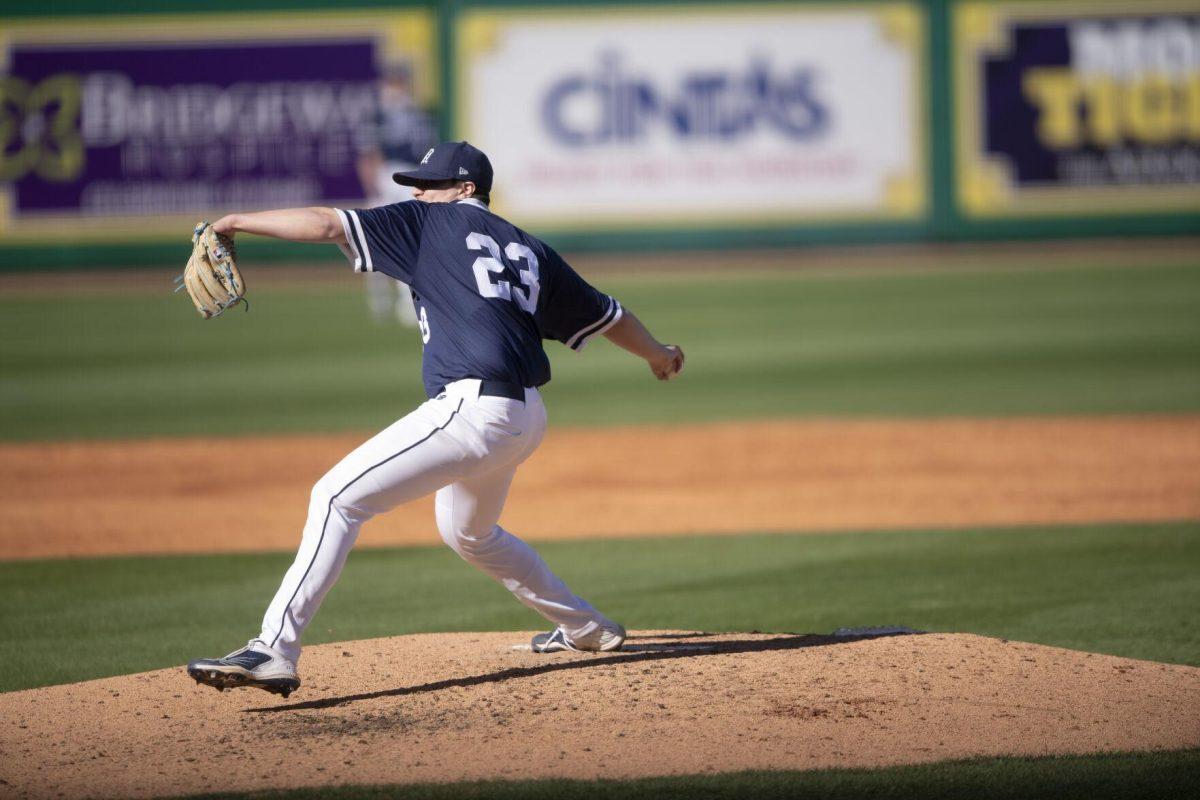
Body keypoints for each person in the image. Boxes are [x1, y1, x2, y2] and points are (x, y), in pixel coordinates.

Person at [187, 141, 685, 697]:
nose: (417, 192)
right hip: (525, 415)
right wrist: (659, 355)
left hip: (473, 411)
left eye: (428, 183)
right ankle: (585, 626)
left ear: (465, 189)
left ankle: (271, 651)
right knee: (467, 531)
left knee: (335, 498)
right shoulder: (530, 249)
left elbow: (328, 223)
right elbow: (609, 314)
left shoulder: (428, 223)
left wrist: (235, 222)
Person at [355, 64, 437, 327]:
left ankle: (407, 300)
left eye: (399, 80)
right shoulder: (376, 113)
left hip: (409, 175)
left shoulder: (418, 113)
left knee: (410, 238)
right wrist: (373, 184)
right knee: (372, 239)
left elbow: (427, 152)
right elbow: (367, 154)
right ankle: (379, 297)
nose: (396, 85)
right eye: (392, 80)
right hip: (385, 174)